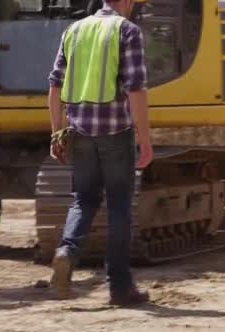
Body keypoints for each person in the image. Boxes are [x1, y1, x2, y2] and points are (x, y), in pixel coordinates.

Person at [48, 0, 153, 306]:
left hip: (79, 134)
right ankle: (120, 288)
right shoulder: (128, 31)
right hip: (116, 135)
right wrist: (144, 139)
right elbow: (136, 88)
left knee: (84, 199)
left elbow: (55, 86)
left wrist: (57, 132)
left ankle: (67, 251)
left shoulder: (74, 30)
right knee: (119, 206)